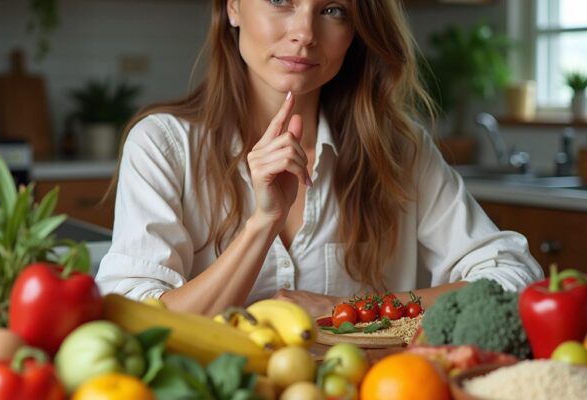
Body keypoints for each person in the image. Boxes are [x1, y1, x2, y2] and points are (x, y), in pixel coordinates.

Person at [96, 0, 543, 317]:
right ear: (232, 6)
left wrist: (353, 311)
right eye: (280, 0)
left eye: (333, 10)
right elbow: (132, 319)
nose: (305, 33)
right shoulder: (162, 147)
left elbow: (513, 276)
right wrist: (262, 224)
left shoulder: (401, 151)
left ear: (356, 30)